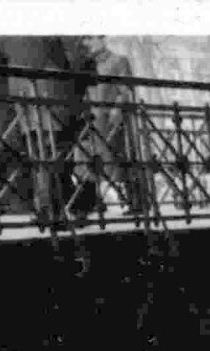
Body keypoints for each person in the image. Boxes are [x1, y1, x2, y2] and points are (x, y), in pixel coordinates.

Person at [0, 35, 88, 225]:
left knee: (40, 154)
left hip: (25, 96)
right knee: (55, 154)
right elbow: (70, 60)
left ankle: (50, 208)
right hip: (53, 95)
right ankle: (59, 209)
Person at [74, 35, 147, 219]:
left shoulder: (118, 61)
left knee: (123, 158)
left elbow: (126, 91)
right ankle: (93, 202)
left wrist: (117, 109)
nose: (86, 43)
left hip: (112, 120)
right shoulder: (86, 65)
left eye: (90, 38)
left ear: (101, 38)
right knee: (88, 161)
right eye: (85, 40)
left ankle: (138, 202)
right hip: (92, 120)